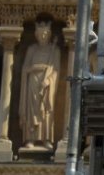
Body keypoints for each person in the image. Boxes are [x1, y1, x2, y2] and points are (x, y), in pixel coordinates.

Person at [18, 21, 60, 149]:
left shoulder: (55, 50)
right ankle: (30, 138)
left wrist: (49, 81)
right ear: (36, 35)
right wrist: (35, 68)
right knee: (32, 110)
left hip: (46, 83)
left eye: (45, 34)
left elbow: (56, 69)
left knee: (46, 109)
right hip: (33, 81)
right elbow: (25, 68)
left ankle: (46, 138)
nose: (43, 36)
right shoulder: (32, 49)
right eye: (40, 34)